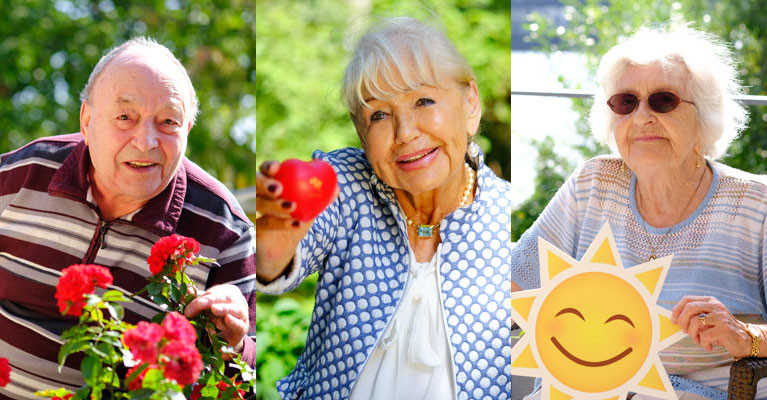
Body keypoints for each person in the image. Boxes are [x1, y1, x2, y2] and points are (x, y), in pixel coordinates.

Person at [256, 17, 513, 400]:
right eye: (378, 114)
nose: (405, 132)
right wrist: (276, 238)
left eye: (423, 101)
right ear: (361, 132)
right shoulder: (346, 183)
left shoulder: (509, 217)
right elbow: (274, 261)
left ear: (470, 103)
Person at [511, 23, 766, 399]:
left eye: (664, 100)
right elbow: (514, 286)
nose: (641, 116)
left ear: (705, 117)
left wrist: (746, 337)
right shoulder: (594, 183)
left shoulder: (754, 204)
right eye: (625, 102)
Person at [0, 37, 256, 398]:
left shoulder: (225, 230)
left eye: (168, 121)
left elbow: (247, 378)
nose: (146, 140)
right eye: (125, 117)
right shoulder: (19, 174)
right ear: (87, 121)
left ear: (187, 133)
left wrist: (234, 341)